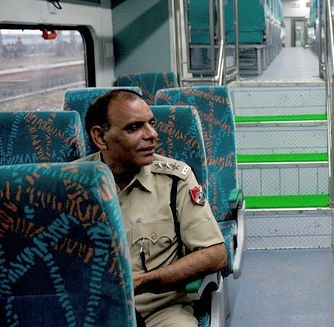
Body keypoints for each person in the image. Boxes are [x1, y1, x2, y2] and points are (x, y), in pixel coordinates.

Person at [77, 89, 228, 327]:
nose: (152, 135)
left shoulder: (175, 179)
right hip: (90, 313)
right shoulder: (70, 184)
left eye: (151, 124)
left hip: (160, 311)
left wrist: (145, 282)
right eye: (134, 128)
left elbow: (215, 254)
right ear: (100, 137)